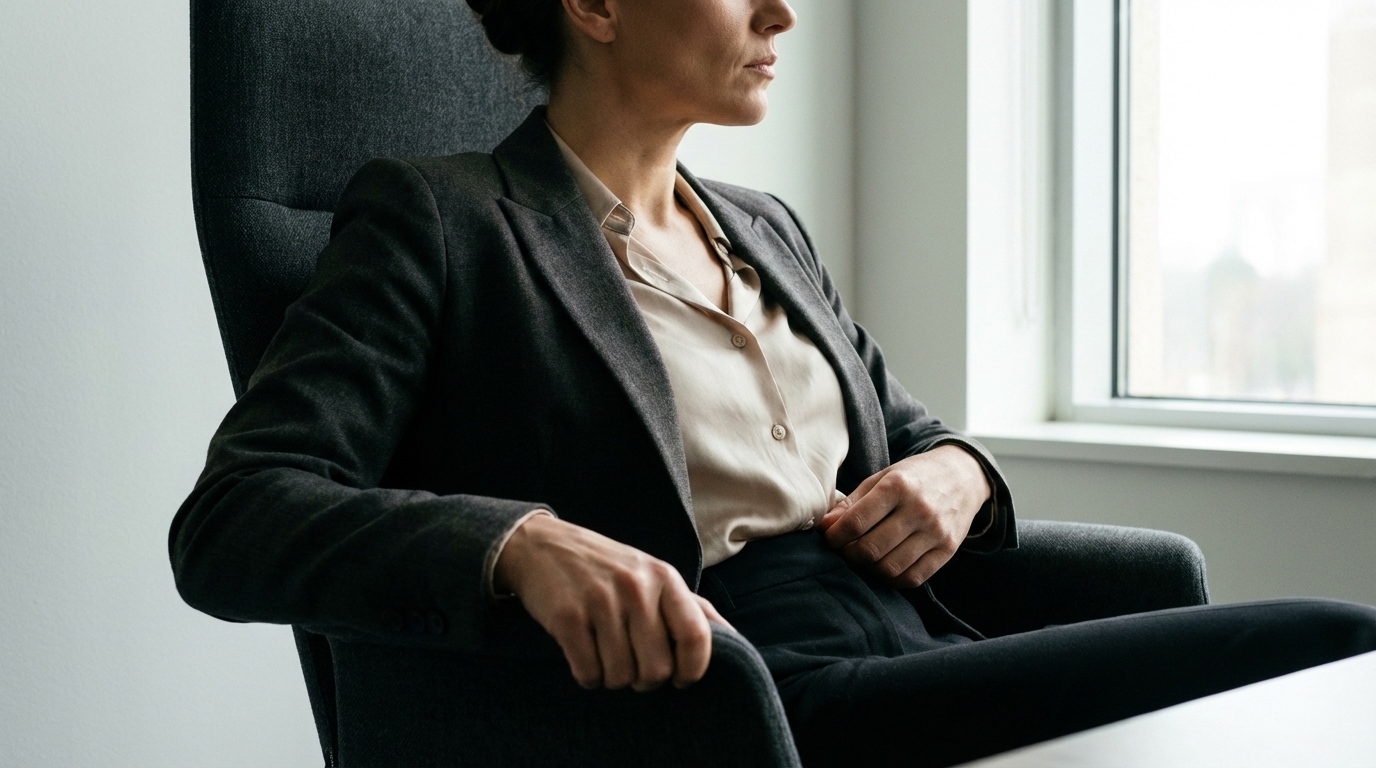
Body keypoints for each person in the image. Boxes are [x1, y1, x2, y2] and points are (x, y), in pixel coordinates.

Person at [169, 0, 1376, 765]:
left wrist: (957, 476)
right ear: (593, 5)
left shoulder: (762, 227)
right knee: (1332, 646)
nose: (781, 11)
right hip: (742, 690)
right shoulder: (444, 220)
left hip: (914, 640)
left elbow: (909, 433)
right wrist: (517, 545)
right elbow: (234, 517)